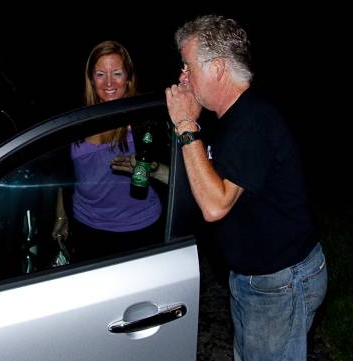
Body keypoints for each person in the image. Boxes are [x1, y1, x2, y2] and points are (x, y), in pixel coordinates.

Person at [165, 15, 327, 360]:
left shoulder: (252, 120)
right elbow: (212, 182)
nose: (182, 77)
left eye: (188, 66)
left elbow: (214, 205)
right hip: (259, 278)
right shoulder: (233, 118)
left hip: (279, 283)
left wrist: (184, 124)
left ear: (219, 68)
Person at [52, 40, 167, 262]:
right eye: (100, 74)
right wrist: (61, 214)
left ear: (129, 78)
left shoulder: (147, 121)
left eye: (116, 73)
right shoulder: (76, 120)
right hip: (87, 225)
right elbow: (65, 174)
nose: (109, 83)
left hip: (139, 228)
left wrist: (152, 168)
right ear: (91, 79)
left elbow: (178, 179)